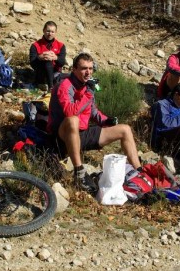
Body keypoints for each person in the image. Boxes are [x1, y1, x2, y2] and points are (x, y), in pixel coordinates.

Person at [47, 53, 142, 193]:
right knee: (73, 120)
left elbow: (93, 111)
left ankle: (139, 172)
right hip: (62, 136)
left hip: (81, 134)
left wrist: (106, 120)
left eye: (91, 68)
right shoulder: (65, 85)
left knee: (125, 129)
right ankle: (79, 173)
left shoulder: (87, 86)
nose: (88, 72)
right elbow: (69, 112)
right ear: (74, 69)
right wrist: (89, 94)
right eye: (84, 68)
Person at [29, 21, 67, 91]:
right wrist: (39, 58)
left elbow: (62, 63)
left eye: (52, 32)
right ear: (43, 31)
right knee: (47, 60)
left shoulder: (61, 45)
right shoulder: (35, 45)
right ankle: (51, 87)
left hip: (55, 73)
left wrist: (55, 57)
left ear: (55, 32)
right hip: (41, 73)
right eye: (48, 31)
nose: (50, 34)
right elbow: (32, 63)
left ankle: (51, 86)